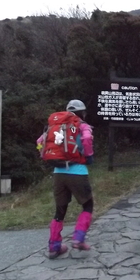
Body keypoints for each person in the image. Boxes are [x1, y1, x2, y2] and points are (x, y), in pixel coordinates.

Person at [36, 99, 95, 259]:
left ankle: (54, 247)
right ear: (82, 112)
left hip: (58, 172)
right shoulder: (82, 125)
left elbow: (39, 142)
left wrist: (46, 156)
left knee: (60, 210)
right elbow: (87, 139)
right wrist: (88, 156)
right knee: (87, 205)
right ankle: (78, 239)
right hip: (77, 171)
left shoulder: (57, 127)